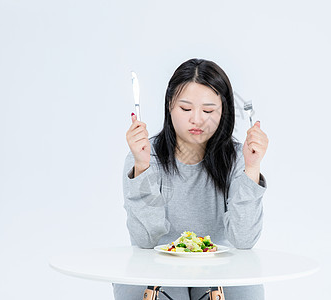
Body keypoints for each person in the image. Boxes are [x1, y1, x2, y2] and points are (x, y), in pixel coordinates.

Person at [113, 58, 269, 300]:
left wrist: (252, 169)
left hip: (221, 267)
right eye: (186, 109)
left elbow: (244, 240)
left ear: (223, 111)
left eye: (208, 110)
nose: (197, 120)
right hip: (155, 264)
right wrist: (142, 166)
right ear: (169, 107)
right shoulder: (145, 155)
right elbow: (145, 241)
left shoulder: (239, 157)